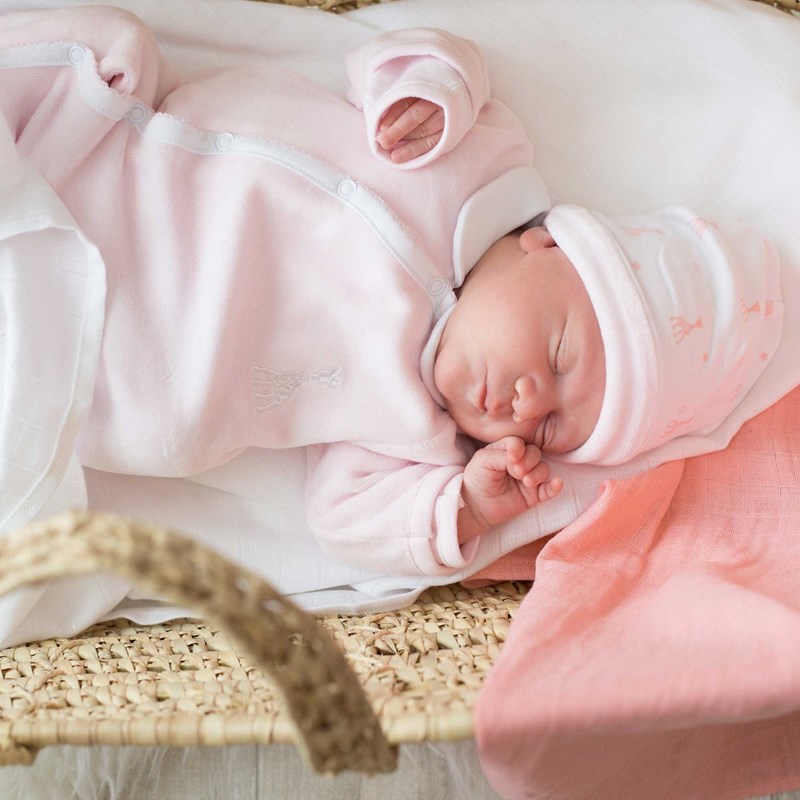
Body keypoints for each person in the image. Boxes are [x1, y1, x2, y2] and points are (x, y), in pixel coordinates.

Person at [0, 6, 782, 578]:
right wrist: (428, 92)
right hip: (104, 168)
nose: (524, 405)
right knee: (107, 47)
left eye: (549, 429)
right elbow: (427, 52)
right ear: (549, 244)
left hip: (112, 376)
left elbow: (345, 522)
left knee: (126, 418)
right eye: (556, 356)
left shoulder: (415, 432)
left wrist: (463, 507)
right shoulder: (480, 159)